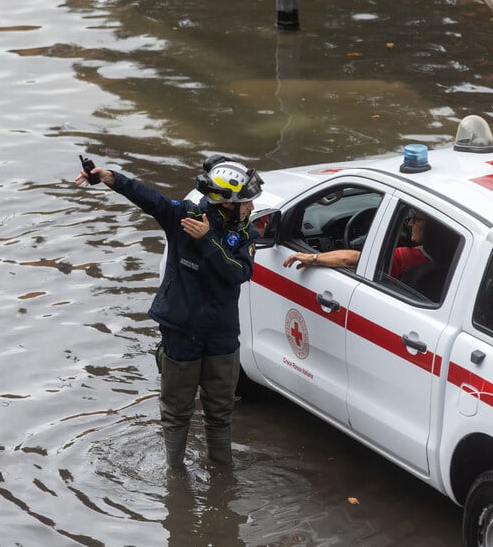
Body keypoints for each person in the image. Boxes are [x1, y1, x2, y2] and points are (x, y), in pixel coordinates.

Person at [75, 155, 263, 468]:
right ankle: (175, 478)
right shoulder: (183, 216)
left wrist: (207, 241)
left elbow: (237, 273)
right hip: (181, 331)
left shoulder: (245, 234)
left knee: (220, 412)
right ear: (227, 203)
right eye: (247, 202)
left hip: (222, 334)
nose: (252, 208)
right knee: (176, 413)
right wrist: (108, 177)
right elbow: (148, 197)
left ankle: (221, 475)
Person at [283, 210, 429, 278]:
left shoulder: (407, 257)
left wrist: (313, 258)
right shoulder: (448, 256)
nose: (410, 223)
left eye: (415, 219)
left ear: (432, 226)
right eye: (410, 218)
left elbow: (351, 259)